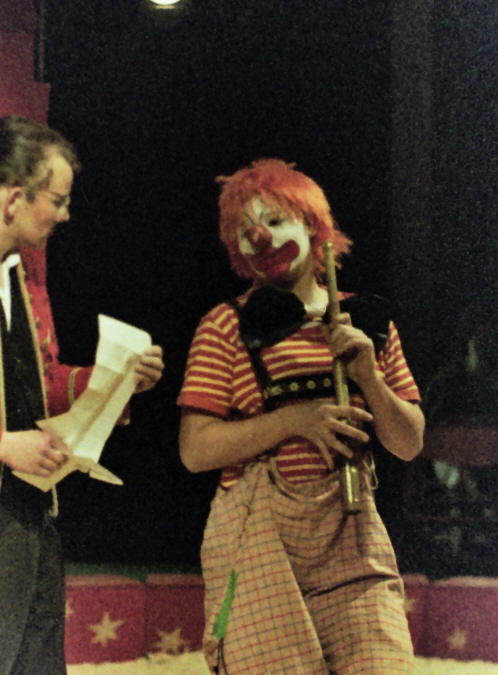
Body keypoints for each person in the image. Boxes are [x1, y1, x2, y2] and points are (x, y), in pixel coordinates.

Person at [178, 159, 425, 675]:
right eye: (247, 229)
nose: (260, 237)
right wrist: (296, 421)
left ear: (313, 226)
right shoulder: (225, 326)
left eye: (275, 220)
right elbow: (196, 450)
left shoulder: (368, 322)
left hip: (352, 541)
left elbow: (409, 443)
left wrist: (369, 378)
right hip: (257, 548)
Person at [0, 115, 164, 675]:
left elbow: (38, 382)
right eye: (58, 200)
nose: (66, 215)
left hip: (27, 511)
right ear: (15, 198)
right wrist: (4, 446)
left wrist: (116, 380)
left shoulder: (19, 279)